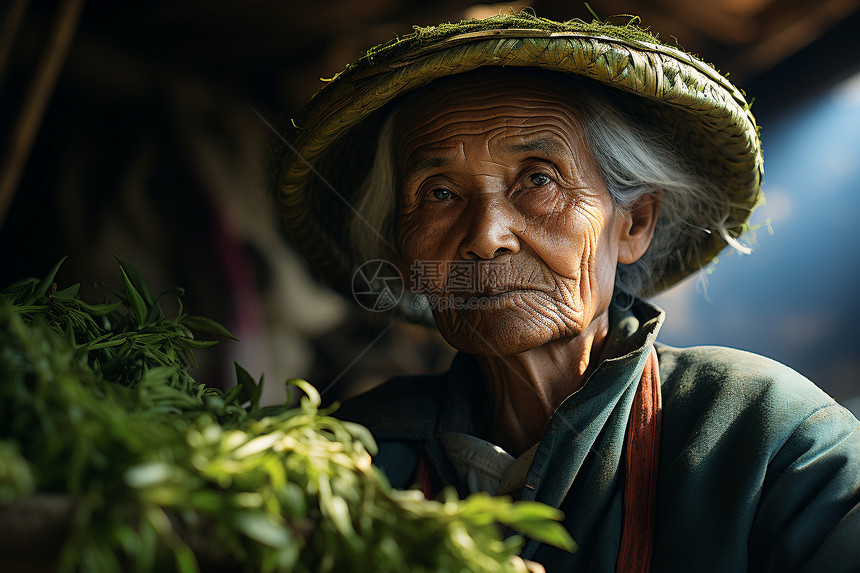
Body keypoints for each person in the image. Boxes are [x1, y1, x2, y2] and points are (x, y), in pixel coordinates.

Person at [272, 13, 860, 572]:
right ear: (403, 249)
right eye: (439, 193)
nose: (486, 236)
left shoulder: (769, 437)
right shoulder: (347, 458)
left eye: (538, 179)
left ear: (633, 224)